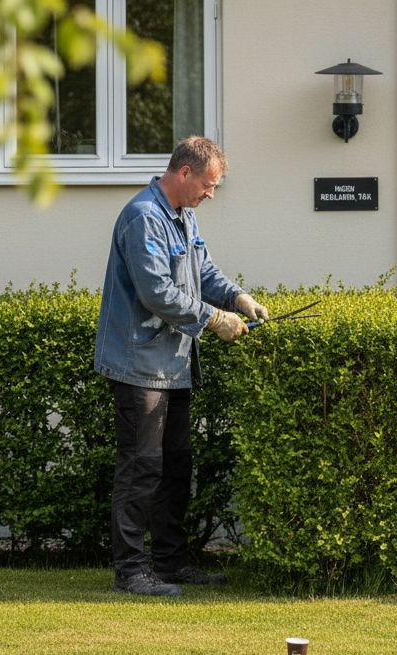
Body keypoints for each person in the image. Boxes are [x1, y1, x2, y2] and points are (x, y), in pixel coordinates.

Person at [94, 136, 268, 596]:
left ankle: (170, 564)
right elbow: (156, 292)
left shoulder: (183, 216)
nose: (211, 194)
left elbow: (203, 272)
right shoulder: (143, 217)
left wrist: (237, 298)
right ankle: (130, 573)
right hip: (139, 365)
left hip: (173, 364)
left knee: (175, 466)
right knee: (141, 468)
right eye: (208, 185)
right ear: (184, 172)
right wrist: (214, 319)